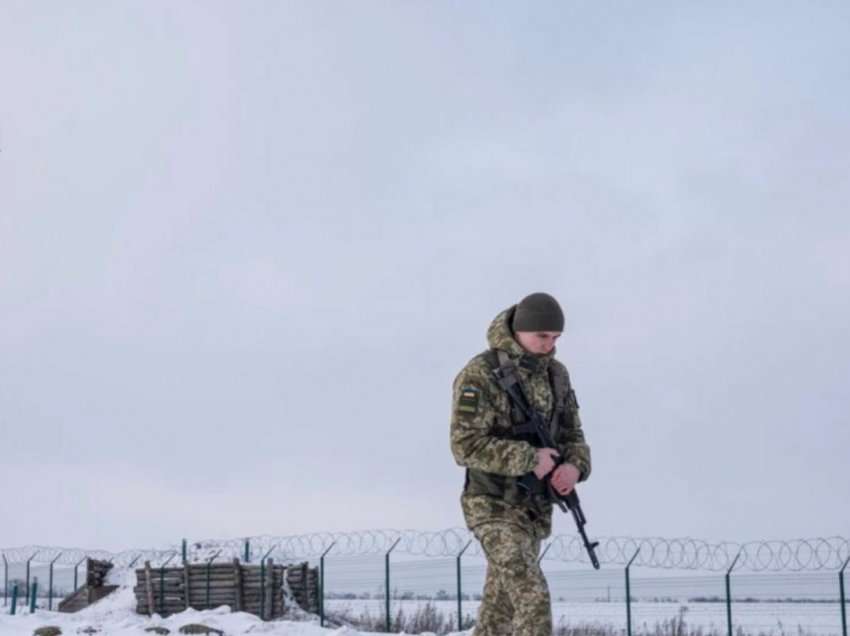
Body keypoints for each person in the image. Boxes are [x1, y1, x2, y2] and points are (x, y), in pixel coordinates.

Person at [450, 292, 592, 636]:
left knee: (500, 608)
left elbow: (573, 433)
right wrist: (529, 458)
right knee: (531, 594)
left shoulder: (557, 375)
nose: (549, 345)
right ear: (519, 331)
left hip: (533, 508)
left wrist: (574, 467)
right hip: (492, 504)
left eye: (555, 338)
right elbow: (464, 445)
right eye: (541, 336)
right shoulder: (481, 373)